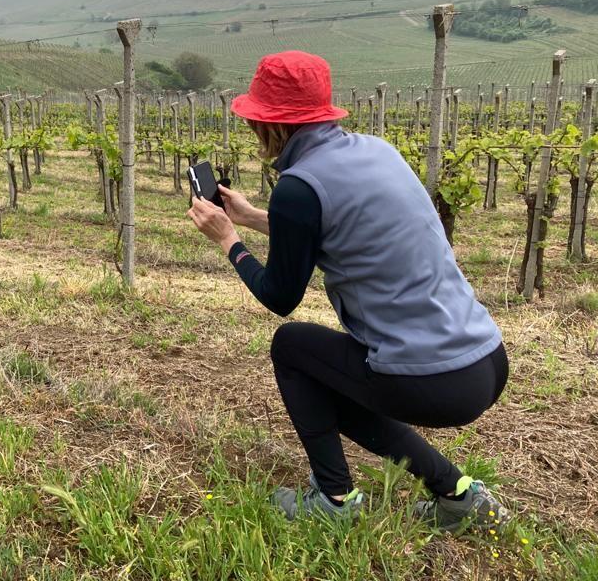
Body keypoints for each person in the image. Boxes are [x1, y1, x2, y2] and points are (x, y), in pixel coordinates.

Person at [187, 50, 509, 530]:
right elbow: (339, 227)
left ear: (269, 122)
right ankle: (460, 495)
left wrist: (228, 240)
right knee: (336, 380)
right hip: (485, 359)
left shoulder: (299, 187)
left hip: (430, 380)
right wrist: (253, 217)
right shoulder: (378, 151)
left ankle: (334, 499)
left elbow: (280, 297)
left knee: (292, 348)